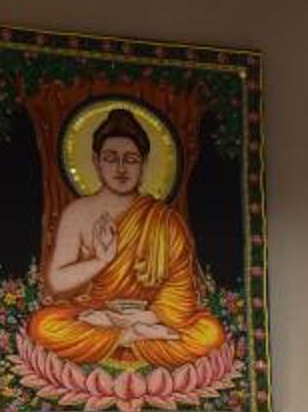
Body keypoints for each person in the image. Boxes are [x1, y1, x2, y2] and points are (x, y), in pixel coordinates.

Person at [26, 108, 225, 370]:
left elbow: (180, 289)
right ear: (96, 162)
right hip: (97, 312)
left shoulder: (165, 219)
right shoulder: (78, 212)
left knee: (210, 333)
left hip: (152, 316)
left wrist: (144, 318)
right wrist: (100, 261)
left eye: (130, 159)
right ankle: (129, 338)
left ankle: (126, 336)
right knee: (42, 325)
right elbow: (57, 282)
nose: (121, 168)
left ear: (144, 164)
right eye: (111, 158)